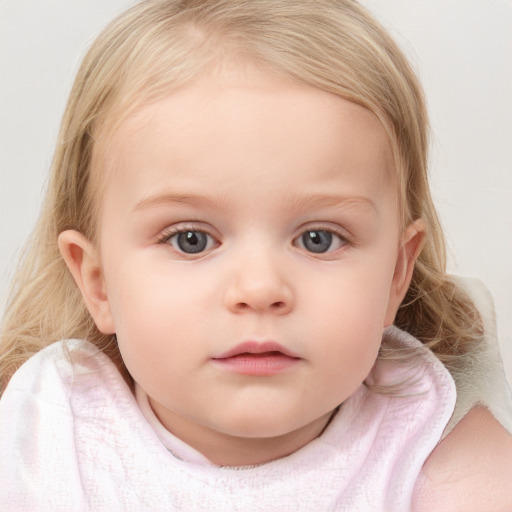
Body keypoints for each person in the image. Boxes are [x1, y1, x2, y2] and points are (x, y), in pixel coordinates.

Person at [0, 0, 511, 510]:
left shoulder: (438, 453)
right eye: (191, 239)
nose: (260, 288)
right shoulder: (44, 438)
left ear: (396, 275)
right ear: (98, 283)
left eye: (319, 238)